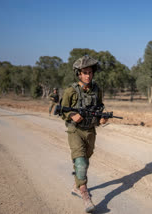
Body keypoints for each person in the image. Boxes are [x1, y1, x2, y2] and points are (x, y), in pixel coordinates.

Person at [60, 55, 108, 213]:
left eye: (90, 72)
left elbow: (100, 107)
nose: (88, 75)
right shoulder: (71, 91)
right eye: (84, 72)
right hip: (75, 131)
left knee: (85, 160)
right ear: (79, 74)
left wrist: (102, 119)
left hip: (90, 132)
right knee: (80, 163)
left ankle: (76, 186)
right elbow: (61, 110)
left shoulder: (97, 90)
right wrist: (71, 115)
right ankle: (85, 196)